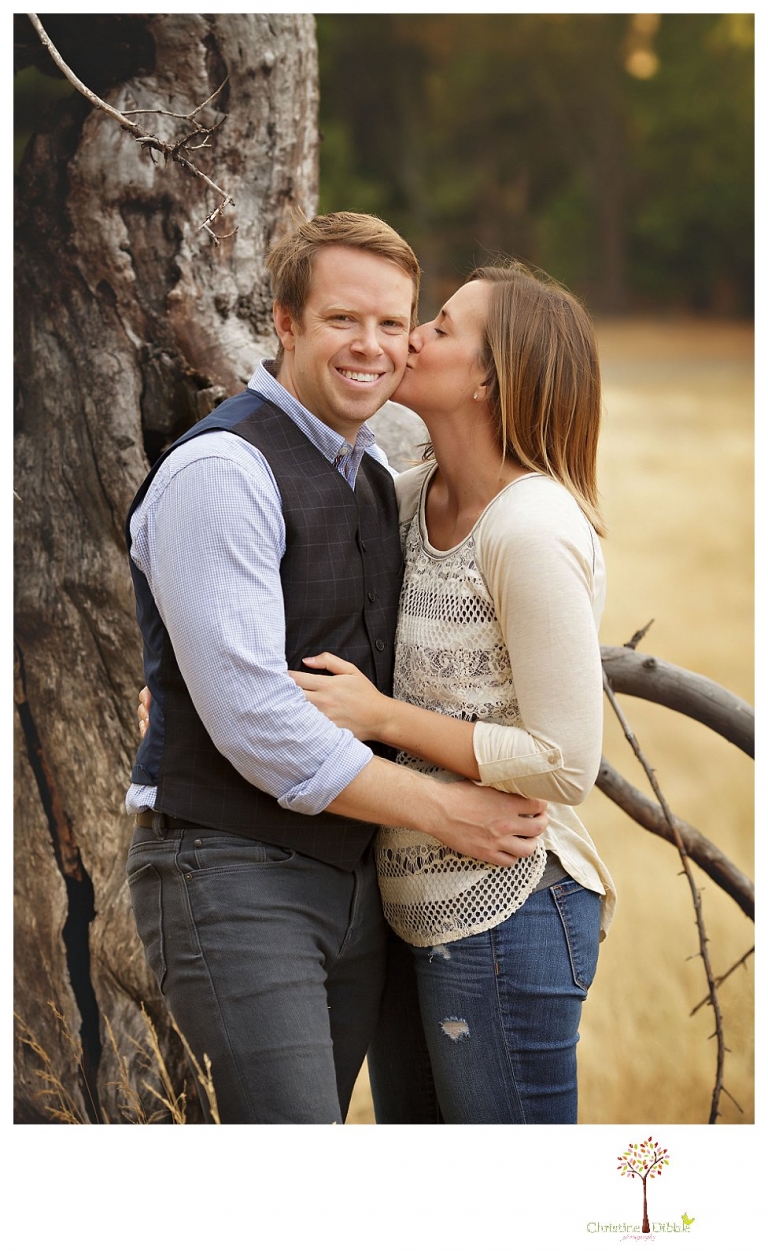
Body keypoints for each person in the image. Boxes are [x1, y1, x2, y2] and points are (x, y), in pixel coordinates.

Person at [125, 212, 547, 1125]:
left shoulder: (369, 476)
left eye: (394, 324)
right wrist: (447, 810)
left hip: (355, 883)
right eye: (342, 320)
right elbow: (257, 721)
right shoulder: (223, 470)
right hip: (229, 868)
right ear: (284, 322)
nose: (373, 346)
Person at [289, 260, 616, 1123]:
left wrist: (385, 717)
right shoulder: (402, 501)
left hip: (512, 908)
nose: (412, 336)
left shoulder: (532, 528)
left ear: (488, 379)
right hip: (406, 908)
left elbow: (566, 762)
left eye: (439, 324)